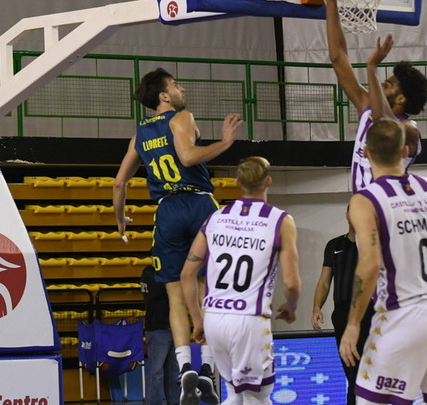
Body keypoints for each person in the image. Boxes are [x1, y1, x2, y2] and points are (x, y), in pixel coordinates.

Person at [113, 68, 243, 405]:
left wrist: (120, 217)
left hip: (167, 210)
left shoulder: (139, 135)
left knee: (173, 294)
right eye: (175, 84)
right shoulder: (181, 117)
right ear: (164, 97)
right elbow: (187, 156)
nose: (181, 87)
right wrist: (225, 143)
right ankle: (207, 369)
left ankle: (185, 366)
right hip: (199, 204)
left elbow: (119, 183)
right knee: (208, 287)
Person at [339, 118, 427, 405]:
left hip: (402, 313)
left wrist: (353, 324)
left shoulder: (365, 199)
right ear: (405, 151)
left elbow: (369, 264)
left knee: (369, 400)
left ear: (365, 153)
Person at [180, 156, 300, 405]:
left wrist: (196, 319)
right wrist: (291, 305)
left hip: (214, 317)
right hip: (248, 320)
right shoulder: (280, 220)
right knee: (258, 397)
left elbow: (187, 274)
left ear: (237, 182)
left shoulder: (214, 218)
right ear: (268, 182)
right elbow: (291, 283)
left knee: (235, 394)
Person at [320, 0, 427, 192]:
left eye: (388, 85)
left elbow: (385, 122)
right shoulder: (368, 108)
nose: (381, 85)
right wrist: (331, 2)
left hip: (391, 213)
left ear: (401, 99)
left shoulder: (409, 130)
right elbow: (338, 59)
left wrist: (372, 68)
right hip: (363, 208)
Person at [311, 213, 371, 405]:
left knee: (361, 372)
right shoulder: (334, 245)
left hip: (368, 314)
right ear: (347, 215)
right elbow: (325, 281)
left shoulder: (372, 246)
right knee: (350, 369)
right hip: (342, 315)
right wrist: (316, 308)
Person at [141, 264, 181, 405]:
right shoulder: (149, 273)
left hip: (175, 329)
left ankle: (174, 402)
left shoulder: (165, 274)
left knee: (174, 373)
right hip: (157, 328)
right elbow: (160, 289)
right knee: (156, 372)